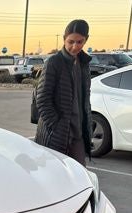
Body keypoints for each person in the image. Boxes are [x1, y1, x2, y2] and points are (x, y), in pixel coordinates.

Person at [35, 19, 92, 166]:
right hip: (57, 134)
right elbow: (42, 99)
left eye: (79, 42)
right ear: (64, 39)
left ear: (86, 40)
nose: (75, 46)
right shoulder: (54, 62)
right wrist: (57, 126)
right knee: (54, 174)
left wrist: (87, 124)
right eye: (71, 41)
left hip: (78, 133)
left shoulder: (84, 63)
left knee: (79, 173)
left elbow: (85, 98)